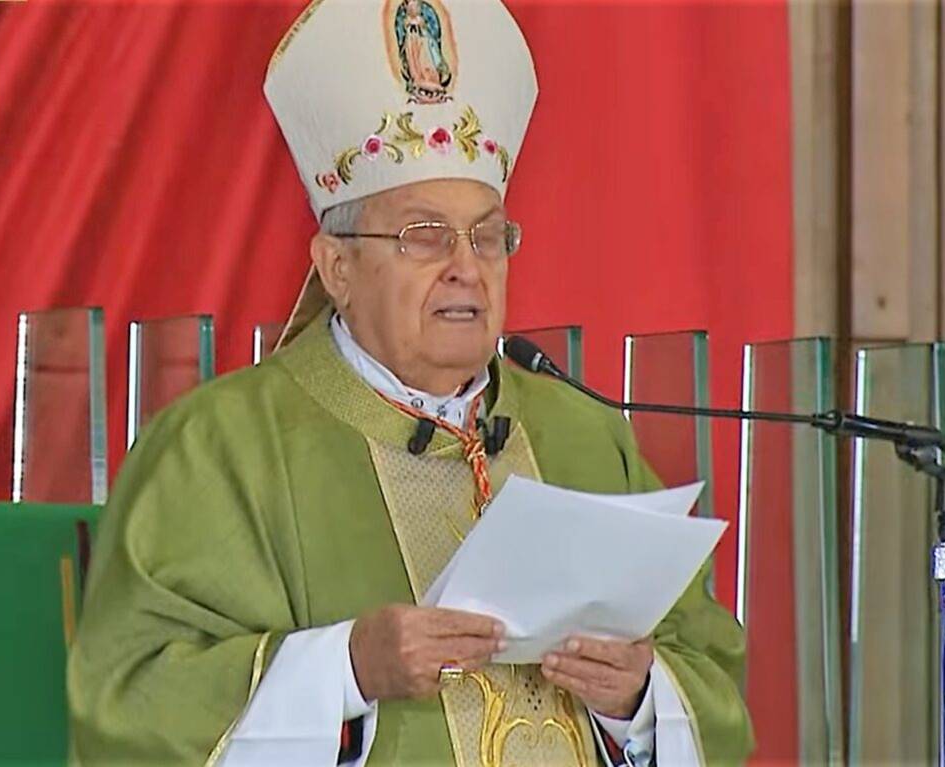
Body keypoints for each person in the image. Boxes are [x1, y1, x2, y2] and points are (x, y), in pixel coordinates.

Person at [67, 0, 753, 764]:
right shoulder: (217, 448)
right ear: (338, 268)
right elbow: (129, 707)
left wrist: (637, 696)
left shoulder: (585, 437)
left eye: (488, 236)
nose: (466, 265)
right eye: (423, 235)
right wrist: (348, 668)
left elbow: (712, 674)